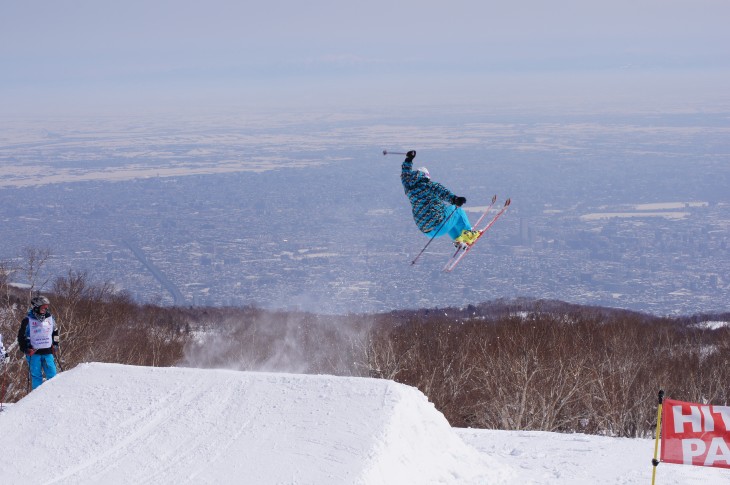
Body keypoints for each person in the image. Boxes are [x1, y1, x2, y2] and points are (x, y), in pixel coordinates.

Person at [401, 150, 479, 248]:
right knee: (457, 210)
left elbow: (405, 175)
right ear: (426, 176)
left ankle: (458, 239)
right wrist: (455, 199)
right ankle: (469, 235)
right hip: (438, 226)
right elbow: (443, 192)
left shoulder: (409, 188)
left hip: (427, 232)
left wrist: (408, 160)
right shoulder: (429, 186)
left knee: (445, 214)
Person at [17, 295, 59, 389]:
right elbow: (21, 337)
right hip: (34, 353)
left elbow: (55, 332)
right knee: (36, 377)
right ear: (36, 307)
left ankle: (54, 397)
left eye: (46, 307)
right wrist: (26, 350)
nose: (46, 309)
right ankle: (36, 401)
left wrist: (55, 345)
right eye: (43, 307)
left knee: (53, 376)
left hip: (47, 352)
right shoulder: (27, 320)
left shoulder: (50, 318)